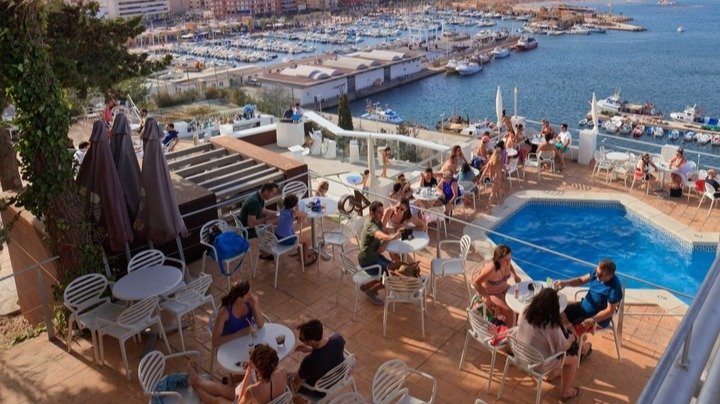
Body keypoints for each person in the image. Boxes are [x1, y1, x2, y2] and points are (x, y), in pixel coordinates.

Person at [516, 288, 581, 401]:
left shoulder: (525, 310)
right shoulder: (551, 326)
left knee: (545, 346)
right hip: (537, 364)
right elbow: (564, 347)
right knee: (573, 359)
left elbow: (519, 324)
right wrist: (572, 338)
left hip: (520, 354)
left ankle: (552, 373)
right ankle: (566, 392)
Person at [553, 259, 623, 358]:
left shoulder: (614, 287)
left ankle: (585, 349)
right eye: (597, 272)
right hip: (582, 307)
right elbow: (581, 280)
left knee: (568, 333)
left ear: (610, 276)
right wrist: (565, 283)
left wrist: (593, 320)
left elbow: (610, 310)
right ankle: (580, 341)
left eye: (601, 275)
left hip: (596, 319)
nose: (597, 276)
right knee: (558, 318)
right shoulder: (596, 273)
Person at [189, 344, 288, 404]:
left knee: (216, 400)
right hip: (268, 399)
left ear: (260, 369)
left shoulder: (253, 390)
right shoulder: (282, 371)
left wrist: (248, 372)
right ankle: (196, 380)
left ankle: (194, 384)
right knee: (224, 389)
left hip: (249, 399)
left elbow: (240, 401)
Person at [358, 201, 402, 305]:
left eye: (382, 212)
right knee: (391, 275)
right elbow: (379, 235)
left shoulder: (376, 221)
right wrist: (393, 237)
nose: (382, 215)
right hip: (368, 261)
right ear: (371, 213)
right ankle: (371, 292)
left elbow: (384, 230)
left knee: (394, 267)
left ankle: (366, 286)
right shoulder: (371, 225)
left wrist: (396, 230)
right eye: (379, 212)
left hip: (375, 256)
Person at [292, 320, 346, 399]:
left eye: (301, 339)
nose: (300, 340)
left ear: (310, 341)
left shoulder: (309, 361)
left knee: (289, 382)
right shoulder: (337, 339)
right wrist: (310, 349)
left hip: (320, 389)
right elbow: (327, 352)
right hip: (339, 377)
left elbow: (297, 381)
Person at [471, 245, 522, 326]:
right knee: (509, 311)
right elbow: (475, 283)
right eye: (505, 259)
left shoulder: (507, 263)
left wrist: (515, 275)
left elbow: (510, 266)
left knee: (519, 302)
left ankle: (515, 324)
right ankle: (509, 334)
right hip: (491, 293)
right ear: (498, 259)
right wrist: (485, 296)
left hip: (504, 288)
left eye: (510, 258)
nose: (508, 262)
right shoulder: (492, 268)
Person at [211, 281, 266, 347]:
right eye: (248, 294)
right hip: (232, 344)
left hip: (248, 340)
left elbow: (260, 325)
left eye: (250, 292)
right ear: (239, 298)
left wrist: (255, 305)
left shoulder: (250, 302)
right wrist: (239, 334)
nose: (251, 295)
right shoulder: (225, 312)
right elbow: (214, 341)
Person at [275, 194, 317, 266]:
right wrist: (298, 211)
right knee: (307, 240)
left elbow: (298, 220)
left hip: (277, 237)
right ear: (294, 204)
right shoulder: (293, 212)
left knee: (299, 237)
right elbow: (305, 214)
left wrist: (298, 217)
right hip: (285, 239)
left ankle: (301, 256)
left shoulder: (282, 210)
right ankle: (306, 260)